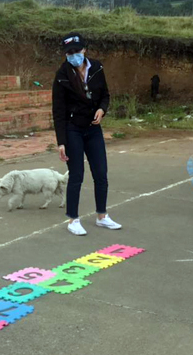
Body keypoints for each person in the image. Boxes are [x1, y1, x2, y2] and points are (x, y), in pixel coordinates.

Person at [51, 32, 121, 236]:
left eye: (76, 51)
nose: (73, 56)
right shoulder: (62, 75)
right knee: (76, 175)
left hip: (93, 129)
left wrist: (102, 109)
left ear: (84, 50)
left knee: (101, 173)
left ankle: (102, 216)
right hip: (73, 129)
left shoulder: (97, 68)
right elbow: (58, 111)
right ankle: (73, 219)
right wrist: (61, 142)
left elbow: (105, 95)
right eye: (69, 53)